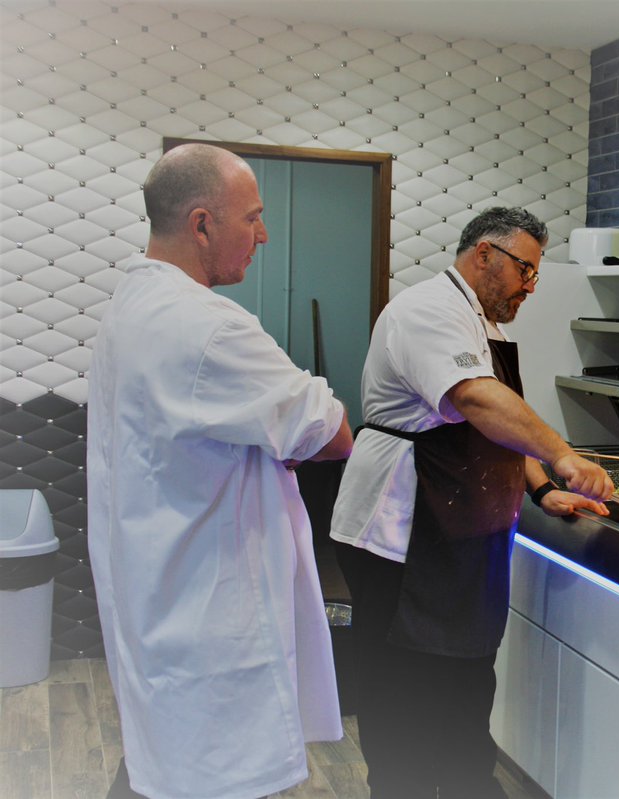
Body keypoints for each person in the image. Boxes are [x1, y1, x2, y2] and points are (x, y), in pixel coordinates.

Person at [86, 142, 354, 799]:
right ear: (203, 223)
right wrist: (285, 437)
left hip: (156, 605)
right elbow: (334, 431)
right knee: (205, 775)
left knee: (158, 767)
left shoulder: (129, 308)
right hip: (209, 633)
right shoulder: (209, 328)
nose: (263, 235)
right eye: (252, 218)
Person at [329, 206, 614, 797]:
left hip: (457, 542)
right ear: (484, 253)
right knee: (404, 700)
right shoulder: (426, 312)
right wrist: (565, 456)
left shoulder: (484, 324)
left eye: (536, 275)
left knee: (462, 697)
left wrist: (542, 489)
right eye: (525, 270)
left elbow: (497, 429)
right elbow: (479, 402)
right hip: (402, 536)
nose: (530, 286)